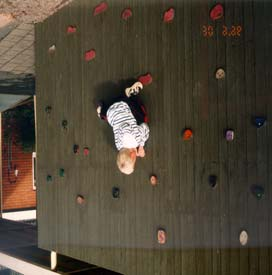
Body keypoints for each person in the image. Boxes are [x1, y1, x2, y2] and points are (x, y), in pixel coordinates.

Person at [97, 81, 149, 175]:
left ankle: (129, 92)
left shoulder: (136, 139)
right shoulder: (119, 146)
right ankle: (101, 111)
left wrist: (141, 146)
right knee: (112, 120)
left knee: (143, 117)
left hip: (123, 103)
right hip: (110, 111)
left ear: (133, 155)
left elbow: (145, 128)